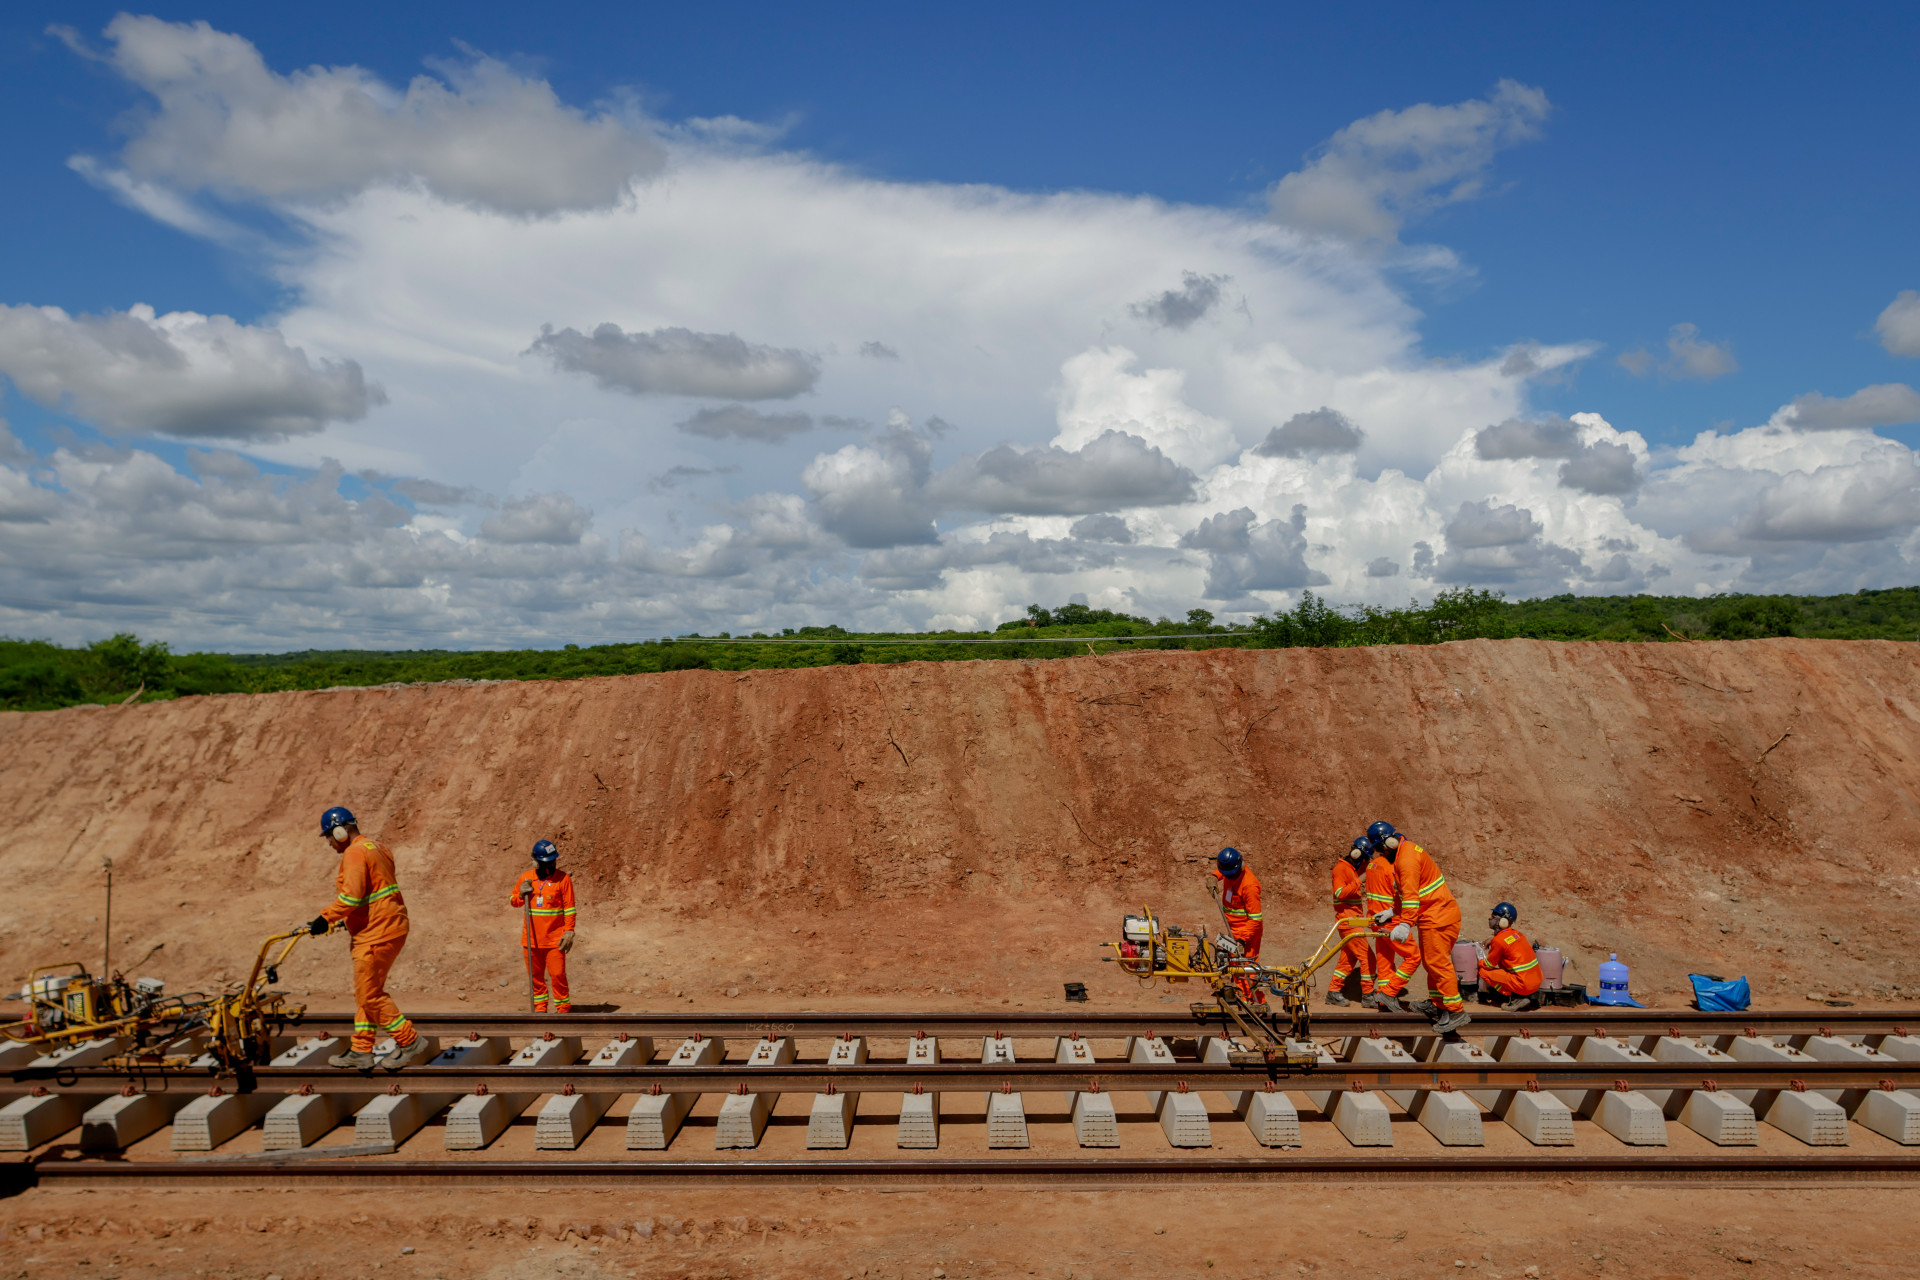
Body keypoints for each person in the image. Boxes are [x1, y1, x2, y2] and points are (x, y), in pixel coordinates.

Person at [303, 806, 429, 1070]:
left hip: (375, 933)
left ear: (340, 831)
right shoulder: (378, 848)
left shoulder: (354, 853)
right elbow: (374, 892)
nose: (328, 842)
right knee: (366, 991)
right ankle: (361, 1049)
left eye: (329, 836)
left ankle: (409, 1040)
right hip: (389, 926)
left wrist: (325, 918)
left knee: (370, 995)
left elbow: (351, 896)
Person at [1367, 820, 1470, 1033]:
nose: (1380, 854)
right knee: (1431, 963)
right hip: (1434, 915)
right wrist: (1392, 912)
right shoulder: (1402, 854)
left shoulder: (1406, 860)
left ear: (1388, 844)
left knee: (1438, 963)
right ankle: (1437, 1004)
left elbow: (1412, 897)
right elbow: (1403, 892)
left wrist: (1404, 924)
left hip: (1439, 915)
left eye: (1379, 850)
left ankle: (1455, 1010)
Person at [511, 839, 577, 1013]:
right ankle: (540, 1011)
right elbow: (514, 901)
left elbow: (570, 908)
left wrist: (569, 931)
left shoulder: (563, 879)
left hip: (555, 940)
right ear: (536, 862)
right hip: (531, 940)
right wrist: (521, 894)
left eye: (553, 861)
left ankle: (563, 1010)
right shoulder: (526, 878)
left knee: (557, 975)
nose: (551, 865)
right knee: (536, 978)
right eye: (547, 862)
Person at [1362, 835, 1420, 1013]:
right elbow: (1403, 895)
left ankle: (1383, 1000)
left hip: (1376, 919)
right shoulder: (1393, 868)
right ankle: (1389, 992)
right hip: (1391, 920)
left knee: (1385, 961)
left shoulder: (1372, 865)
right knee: (1413, 957)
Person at [1326, 838, 1373, 1006]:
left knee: (1348, 960)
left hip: (1353, 921)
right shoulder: (1341, 870)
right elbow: (1340, 893)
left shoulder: (1351, 869)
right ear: (1357, 853)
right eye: (1364, 857)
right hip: (1348, 921)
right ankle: (1368, 995)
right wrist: (1360, 880)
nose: (1365, 860)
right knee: (1368, 958)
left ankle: (1333, 991)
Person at [1478, 901, 1543, 1011]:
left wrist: (1478, 961)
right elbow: (1507, 941)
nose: (1490, 919)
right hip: (1536, 982)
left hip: (1523, 985)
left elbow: (1489, 964)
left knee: (1483, 971)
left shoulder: (1499, 941)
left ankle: (1514, 997)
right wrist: (1493, 939)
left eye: (1493, 916)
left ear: (1503, 921)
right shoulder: (1517, 934)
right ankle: (1519, 995)